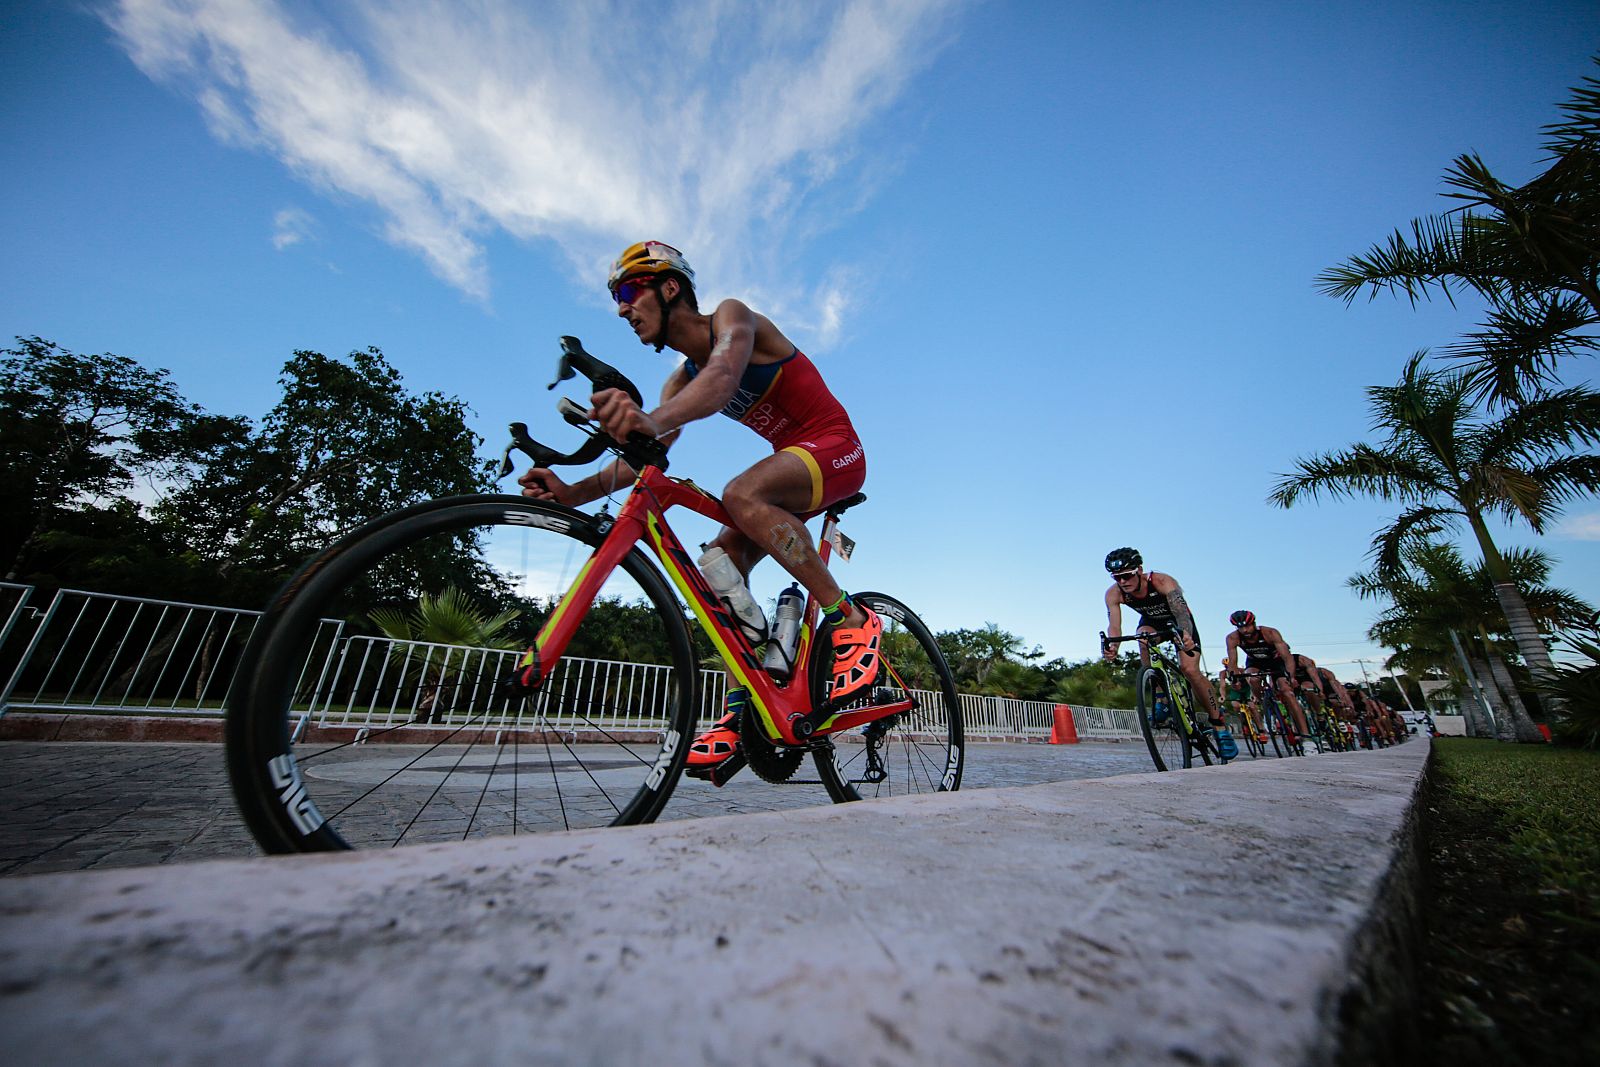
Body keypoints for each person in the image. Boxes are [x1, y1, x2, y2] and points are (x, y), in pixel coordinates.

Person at [519, 241, 880, 774]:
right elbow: (648, 456)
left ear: (670, 287)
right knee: (720, 566)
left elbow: (722, 378)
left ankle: (850, 618)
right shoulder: (679, 379)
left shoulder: (731, 318)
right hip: (793, 469)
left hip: (835, 448)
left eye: (628, 291)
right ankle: (745, 709)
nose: (622, 309)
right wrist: (572, 492)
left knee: (740, 493)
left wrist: (650, 418)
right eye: (616, 299)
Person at [1100, 547, 1235, 759]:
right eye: (1117, 577)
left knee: (1189, 670)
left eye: (1127, 575)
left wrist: (1186, 635)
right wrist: (1114, 646)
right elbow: (1114, 625)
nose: (1123, 582)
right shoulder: (1113, 593)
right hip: (1152, 623)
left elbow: (1181, 614)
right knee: (1142, 637)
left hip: (1178, 622)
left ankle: (1219, 724)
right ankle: (1160, 691)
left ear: (1139, 570)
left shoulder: (1162, 581)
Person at [1223, 610, 1311, 741]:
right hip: (1255, 661)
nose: (1245, 630)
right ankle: (1262, 701)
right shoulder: (1232, 638)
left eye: (1247, 626)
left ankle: (1306, 736)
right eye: (1241, 627)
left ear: (1254, 623)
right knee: (1252, 678)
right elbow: (1233, 662)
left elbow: (1287, 658)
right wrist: (1234, 680)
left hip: (1276, 661)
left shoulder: (1270, 633)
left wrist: (1291, 677)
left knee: (1287, 692)